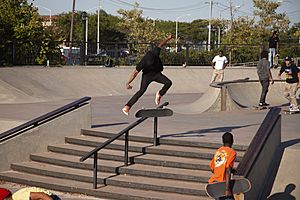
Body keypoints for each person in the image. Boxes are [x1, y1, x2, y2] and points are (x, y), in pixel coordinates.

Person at [122, 35, 174, 115]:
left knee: (168, 83)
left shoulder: (155, 52)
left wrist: (168, 38)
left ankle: (160, 94)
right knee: (141, 91)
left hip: (157, 74)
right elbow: (135, 72)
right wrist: (128, 82)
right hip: (147, 76)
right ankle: (127, 107)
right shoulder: (143, 62)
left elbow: (161, 44)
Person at [208, 132, 237, 200]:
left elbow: (213, 168)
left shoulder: (218, 151)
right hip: (222, 185)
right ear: (232, 141)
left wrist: (231, 170)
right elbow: (228, 170)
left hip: (214, 183)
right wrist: (227, 189)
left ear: (222, 141)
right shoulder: (232, 152)